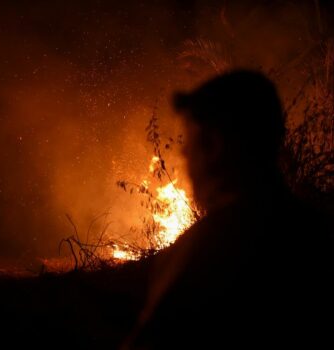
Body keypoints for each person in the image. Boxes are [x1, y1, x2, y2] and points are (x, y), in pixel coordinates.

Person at [123, 70, 333, 349]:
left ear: (214, 146)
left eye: (191, 140)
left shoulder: (202, 251)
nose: (184, 154)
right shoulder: (318, 233)